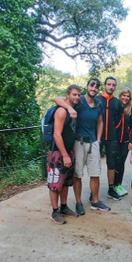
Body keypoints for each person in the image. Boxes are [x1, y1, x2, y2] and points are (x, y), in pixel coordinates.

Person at [55, 78, 110, 214]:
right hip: (78, 142)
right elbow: (57, 98)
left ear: (98, 89)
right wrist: (69, 108)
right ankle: (79, 203)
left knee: (95, 173)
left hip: (93, 142)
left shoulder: (98, 104)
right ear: (87, 87)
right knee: (78, 174)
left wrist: (98, 139)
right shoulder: (78, 100)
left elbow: (100, 121)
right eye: (92, 86)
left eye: (96, 87)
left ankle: (95, 201)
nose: (94, 88)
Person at [47, 85, 81, 224]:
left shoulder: (73, 109)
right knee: (55, 183)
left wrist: (69, 154)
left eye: (79, 95)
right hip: (58, 152)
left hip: (69, 150)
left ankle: (64, 206)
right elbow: (57, 134)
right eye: (74, 94)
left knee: (65, 182)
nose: (77, 97)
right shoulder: (61, 111)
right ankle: (55, 211)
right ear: (67, 95)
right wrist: (65, 155)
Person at [98, 76, 123, 200]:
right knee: (95, 163)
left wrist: (114, 131)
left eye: (113, 85)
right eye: (109, 84)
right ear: (104, 85)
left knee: (112, 163)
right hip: (98, 137)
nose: (111, 87)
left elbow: (119, 120)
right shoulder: (97, 100)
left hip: (112, 137)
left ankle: (111, 188)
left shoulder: (117, 102)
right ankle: (94, 191)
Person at [112, 87, 132, 198]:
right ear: (120, 96)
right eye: (123, 95)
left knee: (121, 163)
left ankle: (118, 184)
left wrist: (131, 141)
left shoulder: (131, 110)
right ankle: (112, 185)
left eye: (127, 96)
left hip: (125, 141)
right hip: (115, 140)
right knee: (114, 163)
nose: (125, 98)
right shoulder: (115, 107)